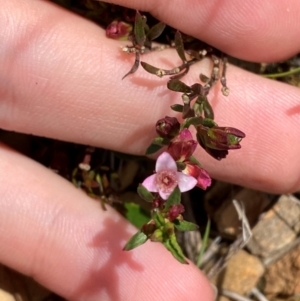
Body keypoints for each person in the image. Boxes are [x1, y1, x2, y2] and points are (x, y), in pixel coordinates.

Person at [0, 1, 299, 300]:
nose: (165, 181)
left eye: (166, 181)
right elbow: (170, 166)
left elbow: (175, 169)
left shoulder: (171, 170)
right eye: (165, 180)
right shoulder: (167, 167)